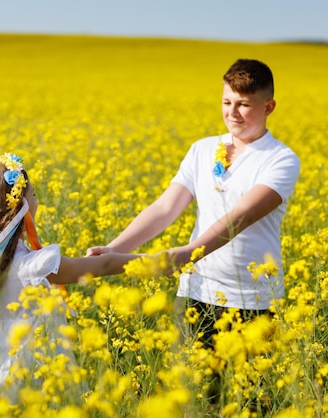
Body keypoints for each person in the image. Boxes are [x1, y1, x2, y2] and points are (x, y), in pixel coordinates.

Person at [87, 58, 300, 349]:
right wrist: (115, 248)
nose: (232, 113)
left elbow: (241, 217)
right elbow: (164, 209)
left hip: (251, 299)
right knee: (193, 391)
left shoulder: (281, 159)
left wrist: (188, 254)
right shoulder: (203, 149)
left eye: (244, 105)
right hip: (195, 292)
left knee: (248, 394)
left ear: (269, 107)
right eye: (227, 102)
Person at [0, 153, 142, 417]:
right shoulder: (32, 265)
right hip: (36, 377)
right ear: (20, 205)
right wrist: (154, 262)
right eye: (34, 194)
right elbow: (104, 266)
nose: (36, 199)